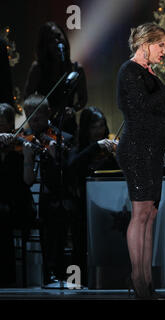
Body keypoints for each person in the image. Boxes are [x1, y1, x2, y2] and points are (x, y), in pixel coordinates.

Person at [116, 23, 165, 298]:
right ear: (145, 44)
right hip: (137, 149)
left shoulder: (147, 72)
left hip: (151, 149)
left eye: (164, 45)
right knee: (140, 215)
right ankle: (138, 280)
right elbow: (140, 109)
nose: (164, 51)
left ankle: (147, 282)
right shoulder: (129, 71)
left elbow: (158, 105)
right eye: (160, 45)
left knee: (150, 213)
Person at [22, 94, 74, 287]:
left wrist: (54, 156)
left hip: (52, 199)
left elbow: (68, 173)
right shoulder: (24, 137)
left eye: (37, 118)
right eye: (29, 117)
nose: (33, 123)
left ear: (48, 114)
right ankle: (40, 276)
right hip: (31, 199)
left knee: (55, 221)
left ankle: (57, 274)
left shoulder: (61, 138)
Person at [67, 106, 119, 286]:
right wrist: (94, 147)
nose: (100, 131)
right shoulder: (79, 148)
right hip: (83, 205)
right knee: (79, 244)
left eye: (102, 126)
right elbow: (72, 167)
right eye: (94, 127)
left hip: (108, 205)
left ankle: (106, 279)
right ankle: (75, 282)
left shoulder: (109, 148)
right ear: (86, 129)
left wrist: (116, 155)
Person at [24, 22, 87, 136]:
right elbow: (28, 96)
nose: (57, 41)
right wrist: (41, 111)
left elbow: (83, 99)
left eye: (59, 36)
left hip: (68, 124)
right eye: (51, 39)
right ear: (45, 45)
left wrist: (72, 110)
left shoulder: (76, 68)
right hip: (44, 125)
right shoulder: (38, 68)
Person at [0, 103, 35, 287]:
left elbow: (28, 182)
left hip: (19, 206)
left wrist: (28, 158)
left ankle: (7, 280)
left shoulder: (20, 149)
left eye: (2, 124)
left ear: (10, 125)